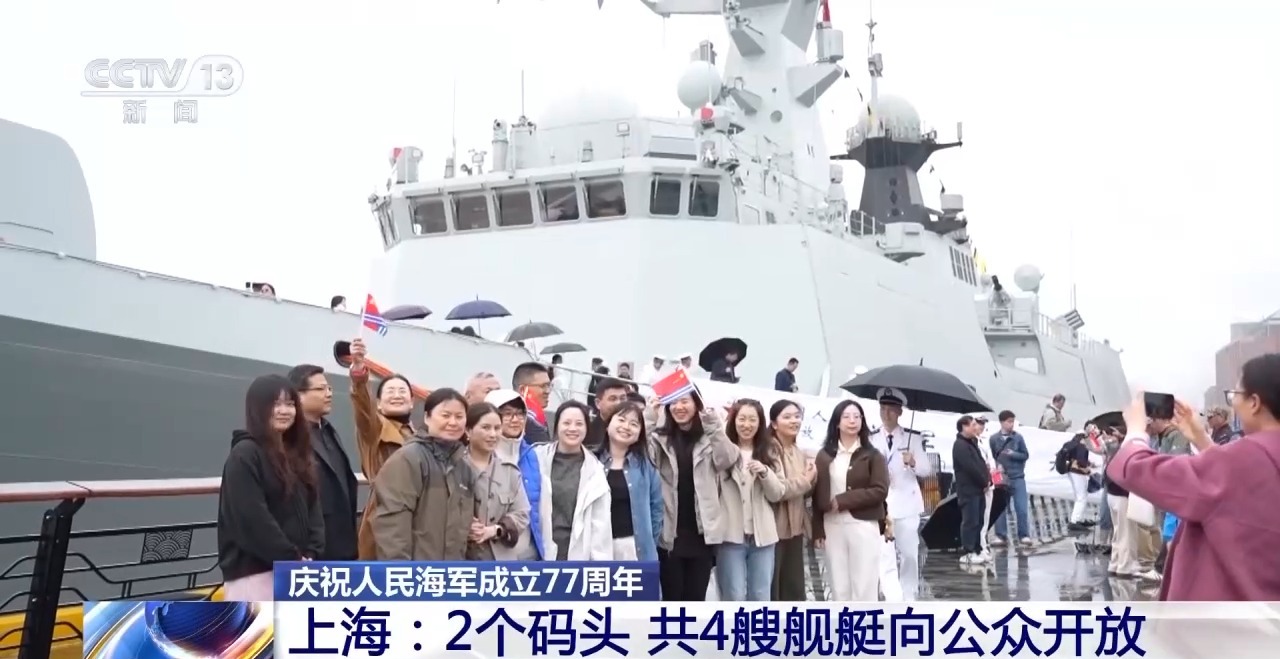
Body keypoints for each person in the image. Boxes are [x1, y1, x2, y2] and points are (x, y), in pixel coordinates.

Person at [1108, 353, 1280, 600]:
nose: (1233, 403)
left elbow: (1141, 471)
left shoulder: (1245, 456)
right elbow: (1237, 487)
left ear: (1254, 402)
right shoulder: (1255, 459)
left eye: (1235, 395)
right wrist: (1203, 441)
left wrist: (1135, 432)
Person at [218, 375, 323, 601]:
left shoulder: (296, 454)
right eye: (276, 404)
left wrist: (312, 553)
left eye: (290, 404)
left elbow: (313, 508)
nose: (285, 411)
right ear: (258, 409)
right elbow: (252, 518)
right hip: (255, 575)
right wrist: (290, 558)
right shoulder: (245, 455)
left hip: (297, 571)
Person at [645, 391, 738, 601]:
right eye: (673, 402)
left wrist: (713, 425)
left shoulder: (708, 437)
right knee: (671, 598)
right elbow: (642, 455)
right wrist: (649, 417)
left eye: (684, 401)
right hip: (670, 534)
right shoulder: (660, 438)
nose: (679, 407)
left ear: (697, 404)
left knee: (695, 599)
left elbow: (727, 459)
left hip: (702, 534)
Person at [370, 388, 475, 560]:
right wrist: (400, 569)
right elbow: (392, 523)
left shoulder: (463, 467)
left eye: (459, 416)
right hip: (416, 570)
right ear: (427, 417)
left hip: (452, 571)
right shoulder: (409, 458)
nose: (453, 422)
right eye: (446, 415)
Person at [812, 400, 890, 601]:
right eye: (846, 417)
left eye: (857, 416)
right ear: (837, 423)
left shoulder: (872, 455)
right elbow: (817, 494)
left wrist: (844, 500)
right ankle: (843, 621)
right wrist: (818, 529)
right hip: (832, 525)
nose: (852, 421)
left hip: (863, 524)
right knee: (839, 585)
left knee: (864, 584)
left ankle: (865, 620)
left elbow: (880, 490)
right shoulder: (825, 455)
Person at [346, 338, 416, 559]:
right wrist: (359, 371)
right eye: (390, 391)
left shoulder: (419, 436)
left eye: (402, 391)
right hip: (384, 515)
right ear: (378, 403)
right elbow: (362, 406)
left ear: (412, 402)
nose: (397, 395)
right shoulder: (373, 429)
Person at [867, 388, 934, 600]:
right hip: (881, 504)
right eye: (883, 409)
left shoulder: (912, 438)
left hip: (907, 503)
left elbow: (926, 470)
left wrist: (912, 462)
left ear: (899, 412)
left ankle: (909, 593)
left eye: (891, 409)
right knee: (884, 554)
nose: (886, 414)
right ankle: (891, 596)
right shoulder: (871, 438)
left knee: (909, 553)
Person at [717, 399, 786, 601]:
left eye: (752, 420)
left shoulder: (770, 450)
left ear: (760, 422)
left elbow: (777, 493)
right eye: (742, 419)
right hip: (730, 535)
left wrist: (765, 472)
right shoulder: (723, 450)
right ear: (733, 421)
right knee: (734, 595)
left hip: (762, 537)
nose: (746, 425)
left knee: (760, 595)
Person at [287, 364, 358, 561]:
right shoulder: (291, 438)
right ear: (298, 395)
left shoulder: (328, 431)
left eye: (329, 388)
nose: (329, 394)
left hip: (343, 542)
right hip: (314, 548)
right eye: (320, 389)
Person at [536, 401, 613, 560]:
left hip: (578, 553)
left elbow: (601, 525)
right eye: (566, 423)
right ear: (557, 426)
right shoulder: (537, 459)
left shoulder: (596, 470)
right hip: (539, 550)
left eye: (579, 424)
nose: (572, 428)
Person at [463, 403, 531, 560]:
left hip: (499, 560)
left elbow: (522, 513)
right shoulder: (453, 467)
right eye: (486, 428)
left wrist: (495, 530)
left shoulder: (510, 472)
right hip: (460, 558)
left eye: (497, 428)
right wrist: (464, 525)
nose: (493, 434)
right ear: (468, 430)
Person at [597, 402, 663, 561]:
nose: (626, 427)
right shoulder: (592, 462)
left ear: (640, 433)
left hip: (634, 548)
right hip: (597, 547)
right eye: (621, 420)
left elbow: (657, 508)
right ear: (608, 425)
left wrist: (648, 541)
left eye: (634, 424)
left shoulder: (646, 467)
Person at [486, 389, 544, 560]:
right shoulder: (483, 456)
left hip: (530, 552)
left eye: (520, 414)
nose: (515, 419)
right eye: (507, 414)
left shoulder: (533, 455)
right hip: (490, 553)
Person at [767, 399, 816, 601]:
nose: (794, 421)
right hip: (773, 529)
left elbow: (804, 491)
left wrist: (813, 477)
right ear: (774, 423)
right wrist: (806, 480)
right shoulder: (770, 450)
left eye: (797, 416)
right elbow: (779, 490)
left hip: (795, 529)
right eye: (787, 417)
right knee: (773, 587)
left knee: (793, 588)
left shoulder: (797, 451)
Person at [952, 415, 991, 565]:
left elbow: (980, 463)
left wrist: (987, 479)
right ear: (964, 426)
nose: (976, 428)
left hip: (978, 489)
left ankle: (977, 548)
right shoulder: (960, 445)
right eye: (973, 425)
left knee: (979, 520)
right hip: (968, 490)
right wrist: (983, 481)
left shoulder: (972, 442)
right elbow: (970, 468)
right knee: (970, 521)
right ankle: (968, 551)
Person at [989, 410, 1032, 548]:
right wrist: (997, 466)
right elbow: (993, 456)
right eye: (1009, 422)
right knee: (1000, 509)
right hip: (1002, 478)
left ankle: (1023, 535)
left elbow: (1025, 455)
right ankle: (1001, 535)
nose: (1011, 424)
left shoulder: (1018, 438)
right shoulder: (994, 439)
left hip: (1018, 477)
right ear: (1002, 422)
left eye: (1013, 421)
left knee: (1021, 508)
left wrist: (1013, 454)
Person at [513, 362, 554, 444]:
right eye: (543, 386)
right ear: (523, 390)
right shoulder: (516, 423)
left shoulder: (539, 418)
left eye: (549, 386)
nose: (548, 391)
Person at [586, 378, 631, 451]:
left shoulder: (632, 431)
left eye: (622, 398)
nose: (618, 403)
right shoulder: (587, 435)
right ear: (598, 403)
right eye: (613, 399)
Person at [1063, 432, 1094, 532]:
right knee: (1082, 497)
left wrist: (1088, 463)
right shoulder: (1081, 446)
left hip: (1071, 472)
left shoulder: (1071, 444)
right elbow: (1080, 461)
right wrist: (1087, 470)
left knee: (1078, 496)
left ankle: (1078, 519)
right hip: (1078, 473)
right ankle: (1075, 521)